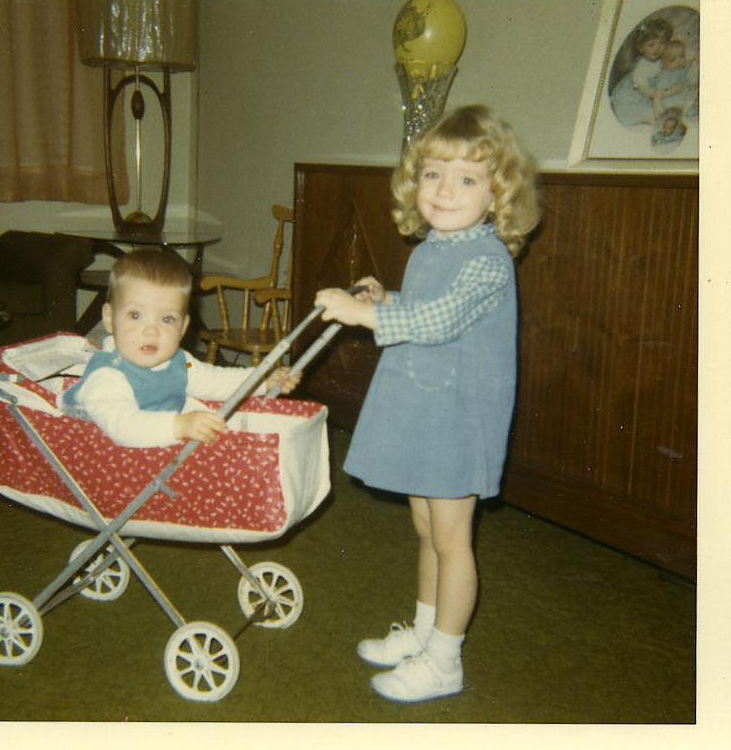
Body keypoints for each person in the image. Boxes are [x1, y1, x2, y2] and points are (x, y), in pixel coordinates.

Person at [314, 105, 540, 703]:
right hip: (425, 411)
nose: (444, 190)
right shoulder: (434, 248)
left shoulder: (488, 260)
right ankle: (423, 632)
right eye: (433, 174)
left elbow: (440, 321)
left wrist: (360, 314)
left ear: (497, 196)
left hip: (459, 421)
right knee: (426, 529)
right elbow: (422, 306)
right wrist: (385, 298)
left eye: (467, 179)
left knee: (451, 539)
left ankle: (445, 660)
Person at [63, 247, 299, 448]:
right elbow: (124, 426)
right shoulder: (107, 376)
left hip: (151, 456)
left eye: (167, 319)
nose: (151, 331)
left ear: (183, 327)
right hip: (102, 461)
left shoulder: (180, 362)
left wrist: (264, 379)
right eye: (135, 315)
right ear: (109, 318)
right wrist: (179, 425)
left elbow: (216, 380)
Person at [610, 17, 673, 127]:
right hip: (636, 94)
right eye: (651, 45)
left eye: (662, 43)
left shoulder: (662, 61)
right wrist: (662, 94)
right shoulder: (641, 67)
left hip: (653, 93)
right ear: (641, 48)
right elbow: (646, 91)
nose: (657, 48)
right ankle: (648, 118)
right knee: (647, 111)